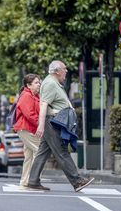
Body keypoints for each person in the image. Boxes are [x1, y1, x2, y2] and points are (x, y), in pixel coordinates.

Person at [25, 61, 94, 192]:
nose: (66, 71)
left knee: (43, 152)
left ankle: (33, 181)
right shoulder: (50, 83)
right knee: (62, 151)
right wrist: (41, 125)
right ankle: (77, 181)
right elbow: (44, 105)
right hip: (52, 122)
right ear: (57, 71)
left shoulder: (53, 83)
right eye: (64, 69)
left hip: (52, 121)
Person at [12, 74, 41, 189]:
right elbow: (30, 114)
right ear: (28, 85)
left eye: (39, 82)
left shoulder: (34, 96)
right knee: (39, 152)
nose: (39, 84)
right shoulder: (26, 96)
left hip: (29, 129)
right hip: (26, 128)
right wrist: (41, 125)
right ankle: (33, 181)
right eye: (36, 83)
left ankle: (25, 182)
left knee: (29, 156)